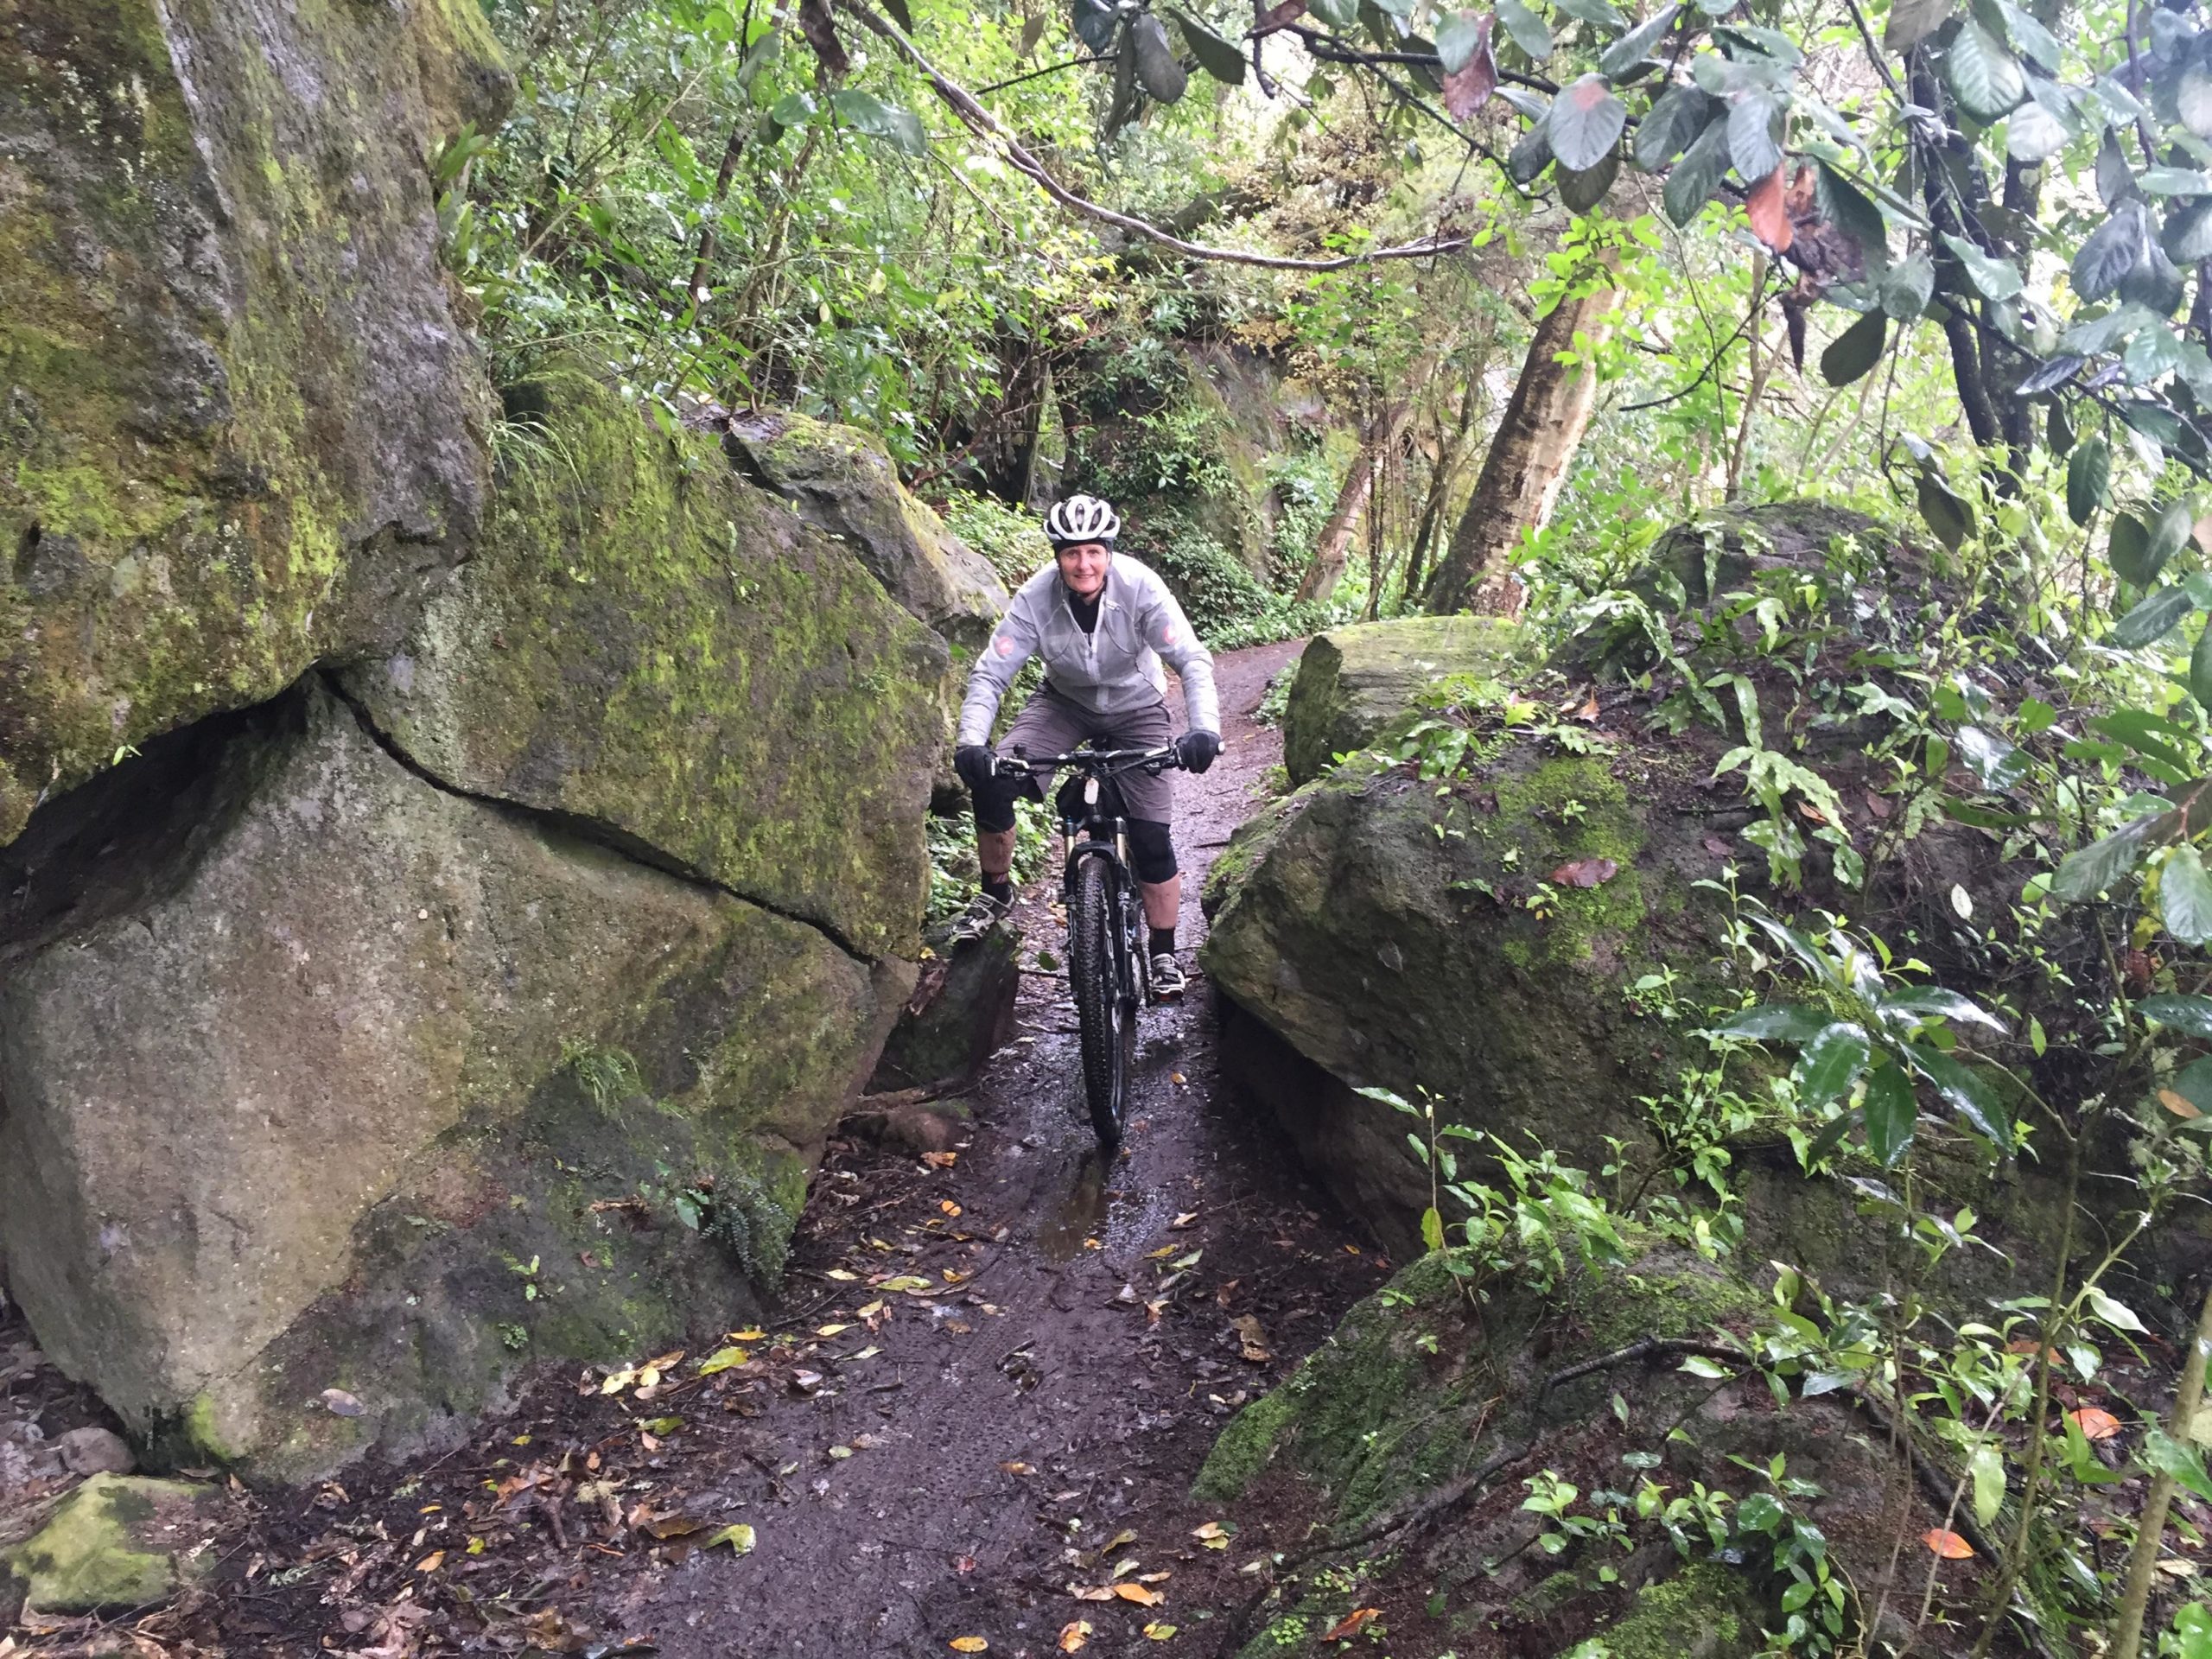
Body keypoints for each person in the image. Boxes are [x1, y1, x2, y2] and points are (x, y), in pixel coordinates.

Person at [952, 494, 1221, 998]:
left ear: (1109, 552)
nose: (1084, 564)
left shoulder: (1141, 587)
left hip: (1138, 705)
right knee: (992, 782)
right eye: (1072, 553)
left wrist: (1204, 729)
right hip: (1064, 703)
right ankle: (996, 893)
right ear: (1057, 556)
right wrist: (971, 741)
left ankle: (1163, 951)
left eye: (1094, 551)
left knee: (1150, 837)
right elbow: (992, 672)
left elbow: (1190, 658)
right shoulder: (1036, 597)